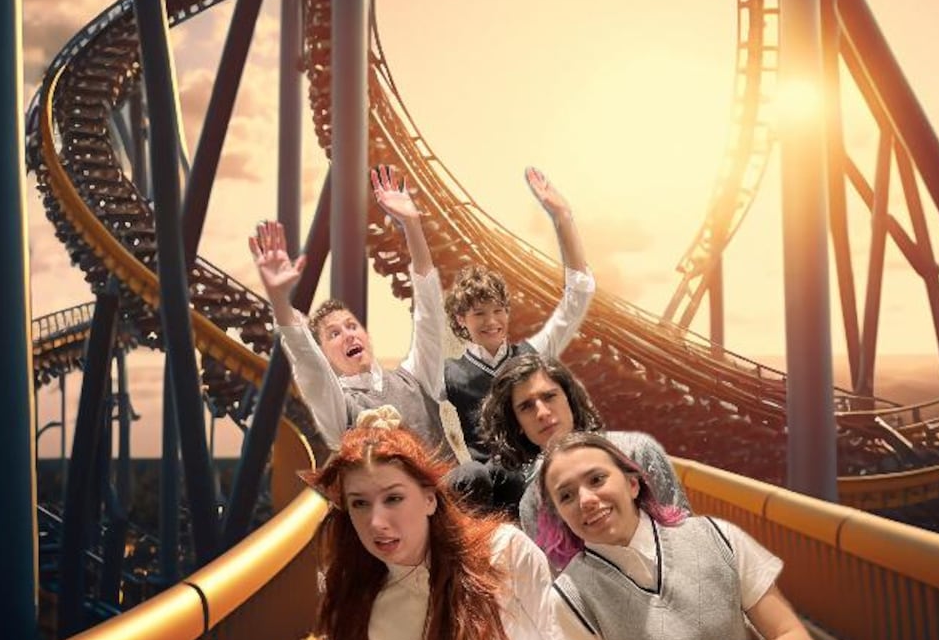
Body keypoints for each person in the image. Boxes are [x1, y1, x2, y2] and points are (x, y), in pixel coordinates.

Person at [309, 411, 600, 640]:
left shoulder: (505, 550)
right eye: (359, 504)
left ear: (430, 498)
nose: (376, 522)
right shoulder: (367, 611)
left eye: (393, 498)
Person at [538, 432, 821, 640]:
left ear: (632, 484)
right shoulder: (569, 595)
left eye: (597, 479)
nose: (585, 499)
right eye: (567, 496)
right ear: (559, 515)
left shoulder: (718, 538)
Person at [250, 165, 471, 466]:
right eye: (334, 334)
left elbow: (429, 312)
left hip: (452, 504)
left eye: (351, 326)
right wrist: (278, 298)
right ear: (326, 354)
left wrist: (412, 225)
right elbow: (308, 363)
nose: (348, 334)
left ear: (366, 335)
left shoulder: (416, 377)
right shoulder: (340, 406)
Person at [443, 168, 594, 510]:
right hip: (492, 493)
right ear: (461, 321)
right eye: (479, 313)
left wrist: (562, 218)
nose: (492, 322)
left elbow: (578, 296)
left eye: (498, 311)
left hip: (542, 476)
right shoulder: (449, 374)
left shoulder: (532, 355)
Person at [478, 354, 688, 557]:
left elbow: (685, 536)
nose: (542, 413)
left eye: (549, 396)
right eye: (526, 407)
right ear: (518, 425)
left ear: (569, 399)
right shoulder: (532, 505)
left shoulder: (636, 452)